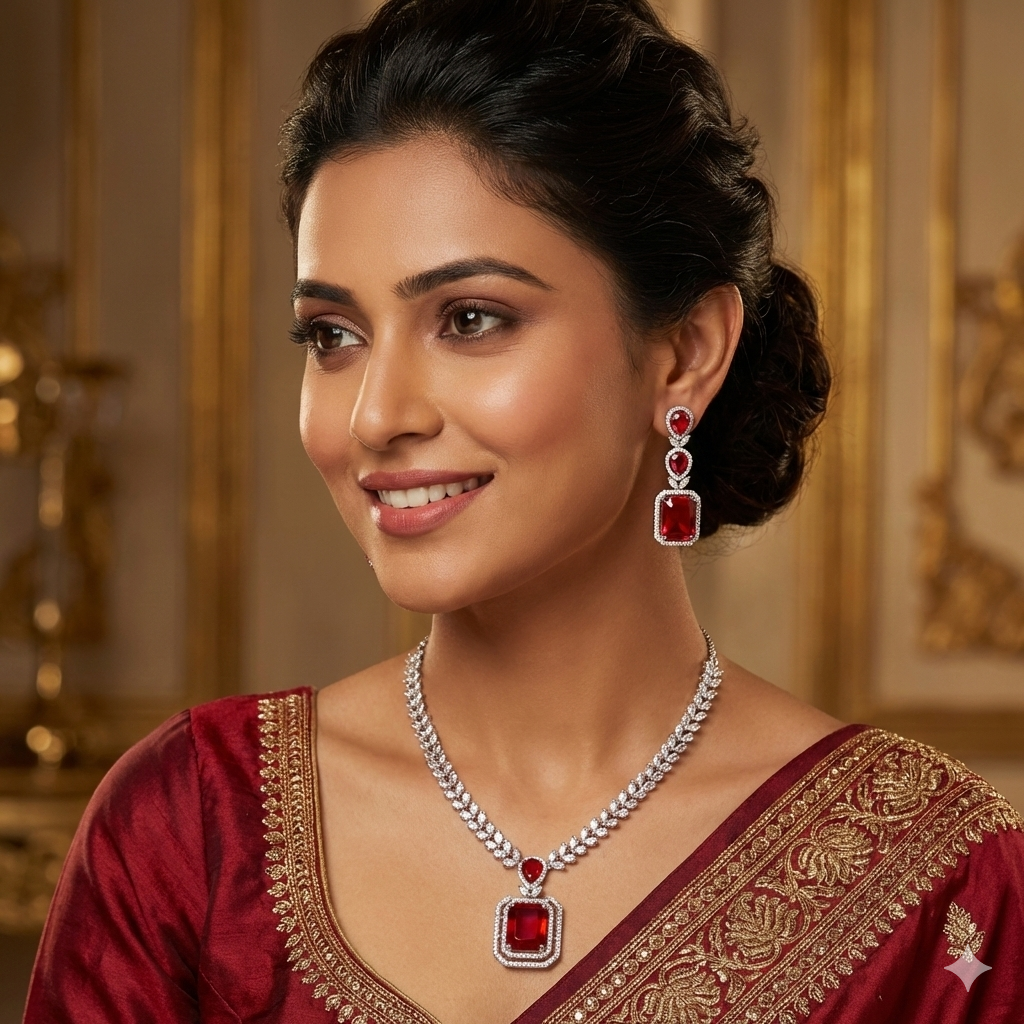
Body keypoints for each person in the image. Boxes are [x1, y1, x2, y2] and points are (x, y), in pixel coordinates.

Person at [24, 0, 1024, 1020]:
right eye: (331, 335)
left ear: (683, 353)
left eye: (469, 319)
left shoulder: (932, 881)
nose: (374, 416)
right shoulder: (191, 833)